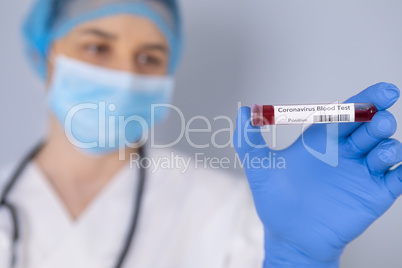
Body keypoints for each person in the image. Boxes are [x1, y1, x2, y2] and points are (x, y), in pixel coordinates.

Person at [0, 0, 400, 268]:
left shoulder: (229, 210)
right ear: (45, 57)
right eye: (96, 48)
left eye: (149, 58)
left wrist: (296, 257)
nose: (125, 75)